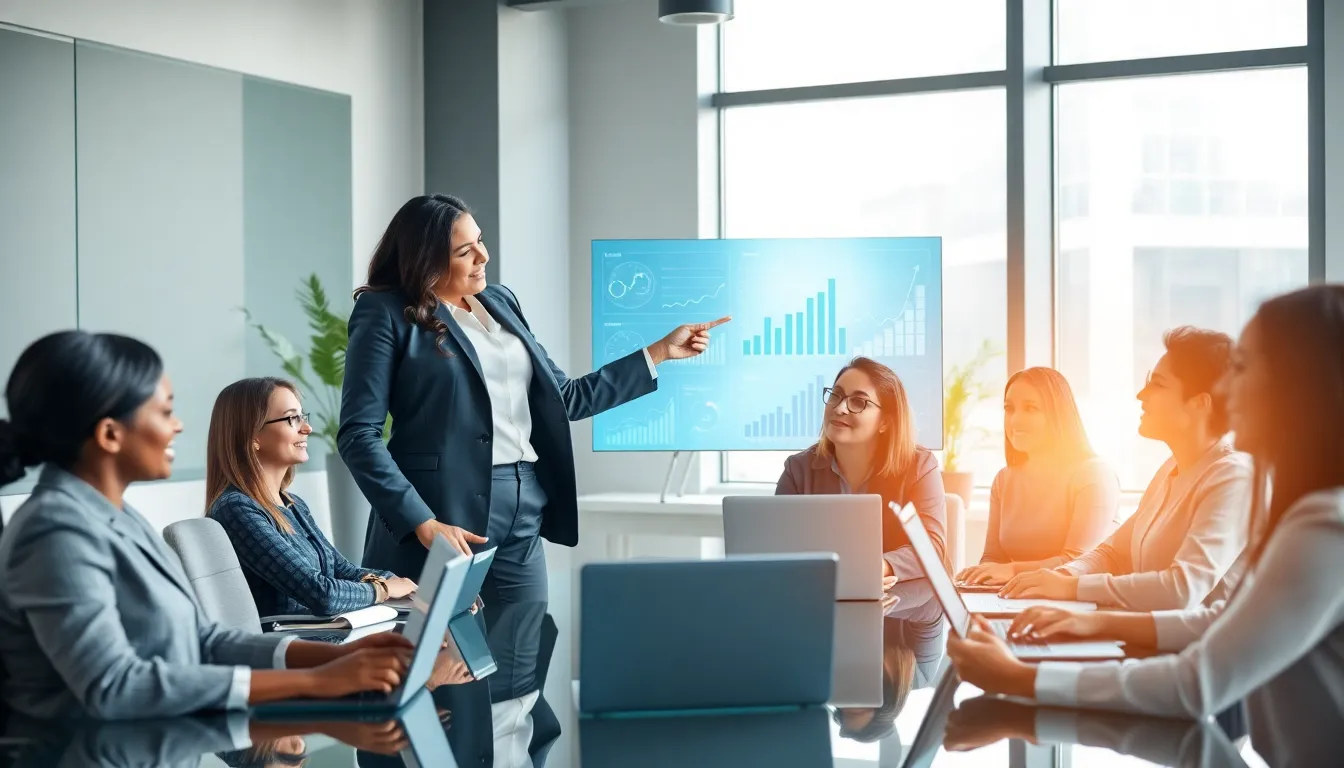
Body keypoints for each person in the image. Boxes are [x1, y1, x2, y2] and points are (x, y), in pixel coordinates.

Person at [946, 285, 1344, 768]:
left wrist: (1020, 677)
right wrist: (1088, 615)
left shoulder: (1322, 525)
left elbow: (1194, 682)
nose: (1224, 388)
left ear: (1299, 384)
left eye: (1243, 367)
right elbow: (1216, 619)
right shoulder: (1292, 506)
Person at [0, 331, 413, 720]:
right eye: (164, 411)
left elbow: (205, 640)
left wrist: (339, 658)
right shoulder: (55, 532)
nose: (178, 425)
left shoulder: (117, 517)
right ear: (110, 434)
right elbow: (113, 686)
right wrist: (314, 681)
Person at [338, 194, 727, 606]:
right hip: (440, 511)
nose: (483, 256)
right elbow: (358, 435)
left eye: (481, 241)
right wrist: (421, 520)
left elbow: (566, 398)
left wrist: (660, 351)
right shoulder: (384, 312)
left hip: (522, 506)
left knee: (524, 654)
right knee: (441, 661)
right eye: (465, 251)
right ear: (426, 259)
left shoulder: (500, 302)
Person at [999, 327, 1252, 610]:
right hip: (1145, 635)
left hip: (1193, 649)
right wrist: (1054, 579)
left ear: (1199, 404)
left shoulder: (1233, 477)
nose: (1141, 395)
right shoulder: (1171, 469)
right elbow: (1113, 553)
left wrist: (1072, 587)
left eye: (1158, 384)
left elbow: (1182, 589)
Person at [206, 377, 417, 617]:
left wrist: (409, 589)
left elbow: (341, 569)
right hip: (296, 642)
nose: (307, 429)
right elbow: (321, 594)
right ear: (253, 436)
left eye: (302, 417)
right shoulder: (236, 508)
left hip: (325, 633)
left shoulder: (293, 504)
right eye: (291, 419)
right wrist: (383, 589)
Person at [776, 357, 948, 588]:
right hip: (817, 599)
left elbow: (933, 548)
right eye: (835, 395)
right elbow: (777, 547)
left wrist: (881, 567)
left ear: (885, 421)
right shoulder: (798, 470)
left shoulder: (919, 466)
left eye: (858, 402)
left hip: (900, 609)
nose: (839, 408)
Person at [955, 367, 1118, 586]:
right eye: (1009, 408)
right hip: (1020, 596)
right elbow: (994, 559)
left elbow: (1078, 563)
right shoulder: (1004, 480)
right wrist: (978, 578)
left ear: (1058, 414)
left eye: (1031, 409)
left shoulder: (1094, 475)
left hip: (1078, 606)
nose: (1015, 420)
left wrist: (1013, 570)